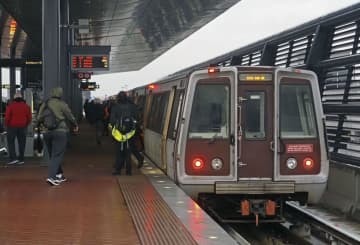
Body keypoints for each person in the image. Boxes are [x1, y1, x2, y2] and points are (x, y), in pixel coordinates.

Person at [37, 87, 78, 186]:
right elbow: (70, 116)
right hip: (60, 132)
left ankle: (59, 174)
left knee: (53, 154)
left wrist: (38, 127)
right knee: (57, 155)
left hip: (46, 132)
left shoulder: (45, 103)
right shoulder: (62, 104)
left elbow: (38, 117)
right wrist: (75, 125)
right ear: (60, 94)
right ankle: (51, 177)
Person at [109, 91, 138, 176]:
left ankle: (118, 170)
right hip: (130, 133)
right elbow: (137, 118)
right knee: (128, 152)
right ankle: (128, 171)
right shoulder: (132, 107)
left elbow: (112, 121)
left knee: (119, 152)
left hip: (119, 134)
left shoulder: (115, 107)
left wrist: (117, 126)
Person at [4, 91, 32, 165]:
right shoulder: (27, 106)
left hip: (11, 126)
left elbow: (7, 117)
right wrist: (26, 124)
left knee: (11, 142)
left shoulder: (10, 106)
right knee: (22, 143)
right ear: (21, 98)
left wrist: (6, 125)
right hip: (23, 126)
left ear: (14, 98)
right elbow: (29, 118)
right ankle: (21, 159)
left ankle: (13, 158)